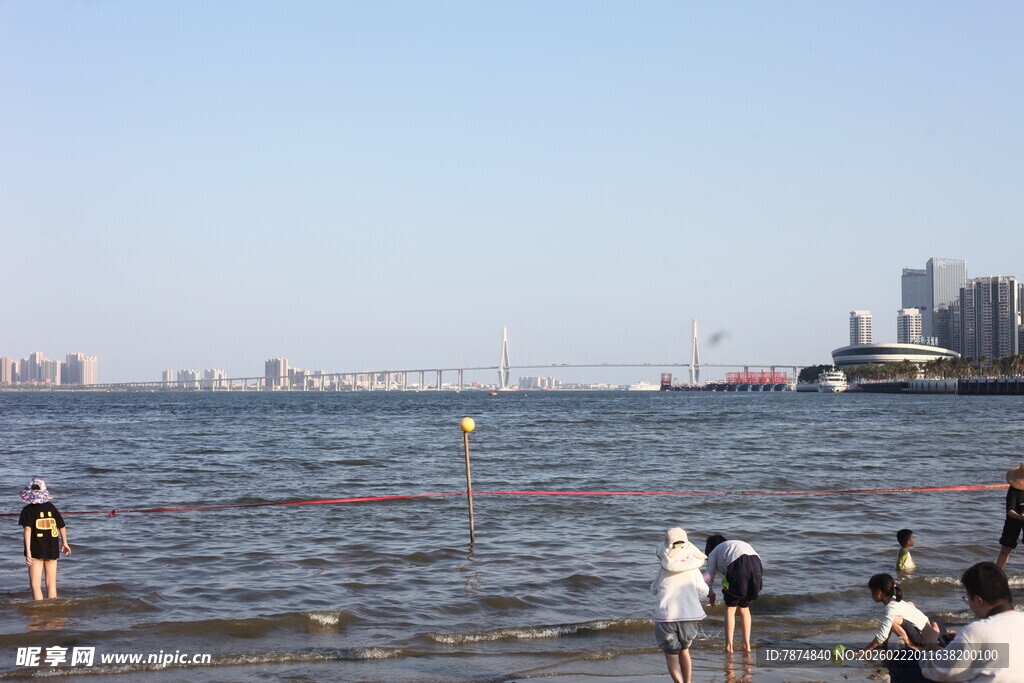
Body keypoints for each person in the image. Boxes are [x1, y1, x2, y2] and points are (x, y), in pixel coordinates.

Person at [920, 562, 1024, 681]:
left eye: (967, 598)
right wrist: (963, 641)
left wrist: (930, 642)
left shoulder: (976, 631)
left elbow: (935, 671)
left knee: (906, 659)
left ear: (979, 601)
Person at [651, 528, 709, 683]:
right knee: (685, 651)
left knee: (671, 655)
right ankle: (688, 681)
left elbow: (654, 589)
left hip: (666, 617)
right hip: (689, 617)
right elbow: (703, 591)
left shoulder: (662, 569)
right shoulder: (694, 570)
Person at [704, 534, 762, 653]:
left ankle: (729, 647)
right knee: (744, 607)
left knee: (730, 608)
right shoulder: (729, 545)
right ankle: (747, 645)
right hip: (756, 563)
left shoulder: (714, 552)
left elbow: (708, 576)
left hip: (738, 563)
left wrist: (710, 593)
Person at [18, 478, 71, 600]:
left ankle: (38, 612)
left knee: (35, 584)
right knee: (51, 583)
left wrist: (28, 552)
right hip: (52, 548)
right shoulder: (51, 507)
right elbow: (61, 525)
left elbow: (27, 530)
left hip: (36, 548)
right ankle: (52, 609)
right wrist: (65, 542)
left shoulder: (27, 510)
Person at [996, 463, 1024, 569]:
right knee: (1005, 549)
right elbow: (1010, 510)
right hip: (1014, 518)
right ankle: (998, 573)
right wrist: (1019, 516)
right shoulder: (1013, 490)